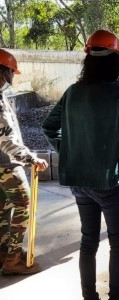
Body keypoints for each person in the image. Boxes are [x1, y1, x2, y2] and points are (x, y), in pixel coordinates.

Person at [42, 30, 119, 299]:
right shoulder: (116, 92)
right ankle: (116, 296)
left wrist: (69, 150)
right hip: (109, 183)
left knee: (88, 241)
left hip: (79, 184)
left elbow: (48, 127)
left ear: (88, 61)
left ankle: (89, 296)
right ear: (117, 62)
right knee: (118, 242)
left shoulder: (72, 92)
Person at [0, 49, 48, 275]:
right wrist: (30, 157)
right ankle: (13, 259)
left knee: (3, 209)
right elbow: (5, 139)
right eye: (10, 73)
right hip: (7, 165)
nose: (11, 78)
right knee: (23, 206)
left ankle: (3, 253)